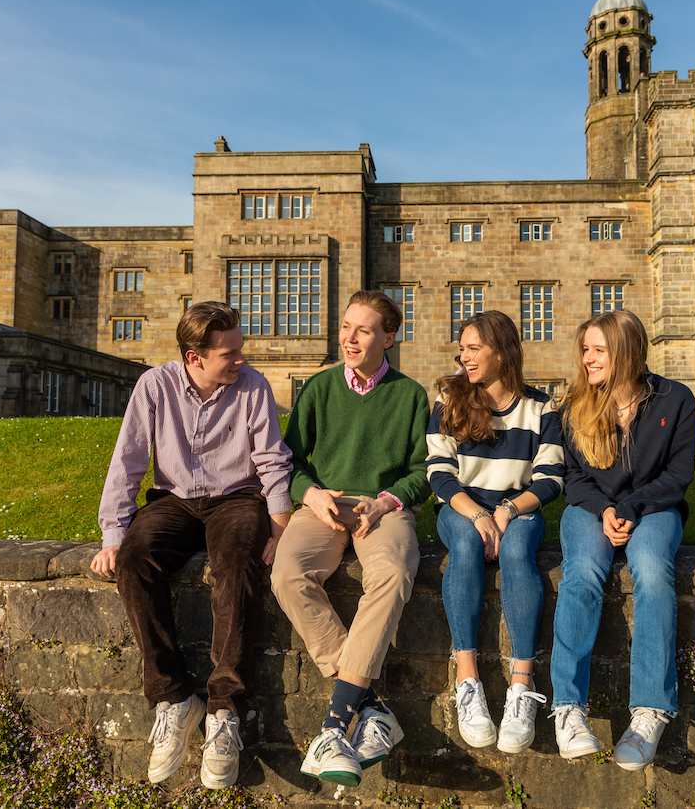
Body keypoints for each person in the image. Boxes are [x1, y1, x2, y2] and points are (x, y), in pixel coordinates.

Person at [92, 302, 293, 790]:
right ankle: (174, 698)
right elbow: (128, 461)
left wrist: (279, 529)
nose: (240, 359)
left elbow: (272, 459)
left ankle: (225, 709)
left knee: (237, 563)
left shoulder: (253, 387)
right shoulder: (154, 386)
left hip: (237, 497)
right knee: (134, 560)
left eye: (240, 348)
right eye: (229, 353)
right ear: (193, 357)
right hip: (174, 499)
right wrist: (113, 536)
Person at [270, 290, 431, 788]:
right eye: (346, 327)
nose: (350, 338)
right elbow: (289, 461)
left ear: (389, 337)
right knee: (287, 575)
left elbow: (424, 471)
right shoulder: (318, 388)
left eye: (363, 329)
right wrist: (310, 493)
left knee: (393, 573)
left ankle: (333, 726)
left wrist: (387, 501)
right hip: (324, 503)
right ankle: (371, 705)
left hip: (382, 507)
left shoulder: (411, 396)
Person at [549, 309, 695, 770]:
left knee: (651, 570)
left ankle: (650, 711)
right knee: (581, 574)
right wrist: (606, 508)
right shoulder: (574, 404)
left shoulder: (675, 399)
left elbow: (677, 475)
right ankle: (568, 709)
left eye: (599, 350)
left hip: (654, 508)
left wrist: (631, 507)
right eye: (585, 350)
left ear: (627, 352)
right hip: (591, 508)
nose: (587, 359)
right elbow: (573, 476)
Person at [425, 311, 563, 754]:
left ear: (501, 353)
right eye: (461, 349)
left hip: (518, 509)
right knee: (466, 545)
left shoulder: (540, 407)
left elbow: (550, 478)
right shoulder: (449, 400)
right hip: (460, 508)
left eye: (473, 348)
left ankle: (522, 684)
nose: (463, 357)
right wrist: (478, 515)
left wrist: (506, 510)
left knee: (519, 550)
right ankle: (468, 679)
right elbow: (439, 473)